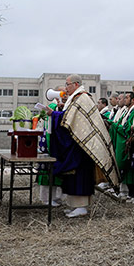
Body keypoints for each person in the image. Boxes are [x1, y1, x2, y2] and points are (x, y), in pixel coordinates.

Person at [46, 74, 119, 218]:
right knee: (73, 177)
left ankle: (81, 207)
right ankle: (75, 205)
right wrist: (61, 110)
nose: (66, 87)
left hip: (82, 146)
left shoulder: (82, 98)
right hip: (77, 144)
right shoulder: (76, 97)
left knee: (80, 176)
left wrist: (54, 113)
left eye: (67, 84)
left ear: (75, 84)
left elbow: (72, 120)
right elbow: (71, 117)